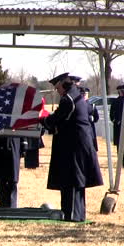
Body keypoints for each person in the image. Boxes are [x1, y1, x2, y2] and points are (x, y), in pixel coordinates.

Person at [39, 72, 103, 222]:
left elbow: (57, 118)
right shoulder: (75, 96)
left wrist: (43, 119)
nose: (57, 91)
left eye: (57, 88)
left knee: (72, 181)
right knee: (76, 181)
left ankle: (72, 215)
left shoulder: (68, 100)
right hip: (78, 144)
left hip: (74, 146)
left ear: (62, 85)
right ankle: (77, 214)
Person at [0, 136, 23, 208]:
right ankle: (3, 206)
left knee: (12, 180)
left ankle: (12, 207)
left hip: (14, 139)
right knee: (1, 179)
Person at [80, 86, 99, 151]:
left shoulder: (92, 105)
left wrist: (93, 118)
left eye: (85, 94)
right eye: (83, 94)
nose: (84, 96)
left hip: (90, 129)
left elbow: (96, 118)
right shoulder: (78, 105)